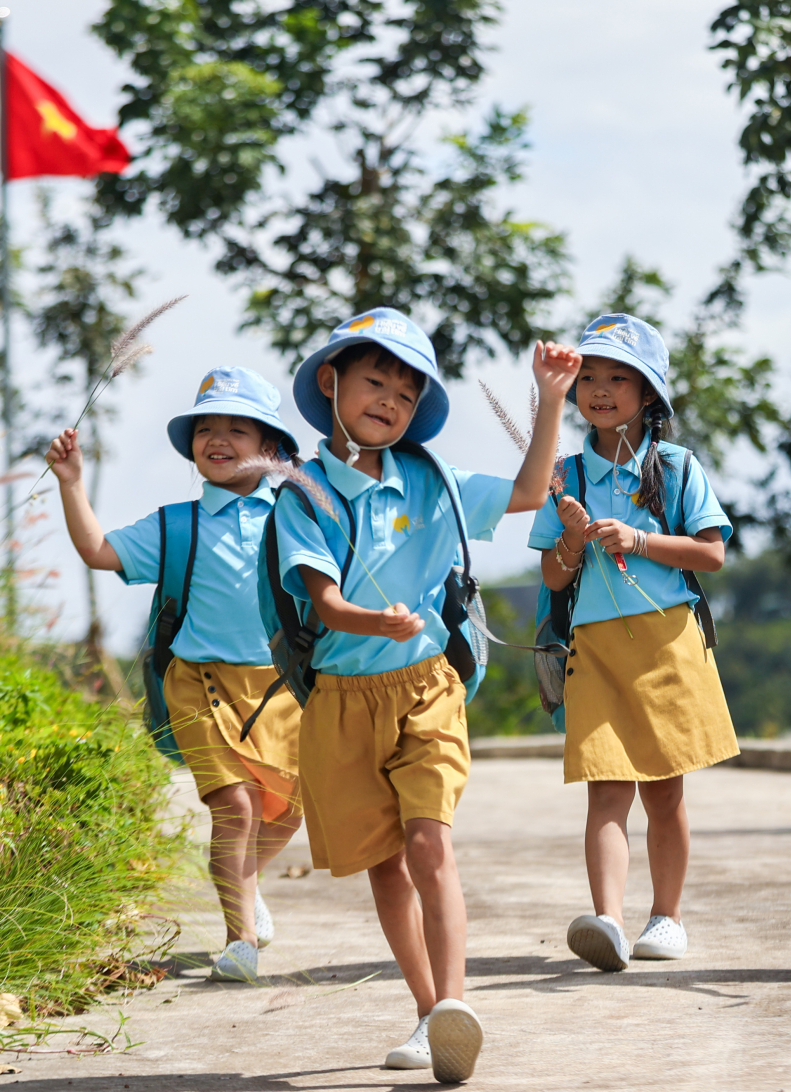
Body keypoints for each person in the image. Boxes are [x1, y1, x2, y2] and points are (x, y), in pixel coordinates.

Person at [269, 308, 577, 1084]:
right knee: (383, 867)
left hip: (426, 686)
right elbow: (328, 604)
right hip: (342, 697)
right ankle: (425, 1010)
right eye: (376, 381)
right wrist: (373, 617)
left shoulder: (432, 478)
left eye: (407, 394)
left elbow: (528, 489)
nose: (390, 401)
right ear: (332, 382)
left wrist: (548, 399)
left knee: (429, 842)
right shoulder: (302, 495)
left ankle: (453, 1008)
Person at [45, 366, 304, 984]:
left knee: (289, 811)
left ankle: (247, 886)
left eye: (237, 429)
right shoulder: (176, 525)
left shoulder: (296, 517)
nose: (218, 439)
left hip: (280, 687)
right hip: (199, 684)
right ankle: (238, 940)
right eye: (205, 428)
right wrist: (71, 483)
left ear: (269, 449)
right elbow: (99, 551)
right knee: (235, 808)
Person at [528, 313, 737, 973]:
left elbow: (712, 553)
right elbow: (552, 575)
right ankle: (610, 921)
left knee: (666, 790)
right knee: (606, 789)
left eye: (618, 377)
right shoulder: (563, 475)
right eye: (588, 377)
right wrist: (569, 539)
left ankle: (667, 915)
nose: (600, 389)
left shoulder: (675, 466)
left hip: (667, 644)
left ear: (649, 394)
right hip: (595, 648)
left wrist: (639, 539)